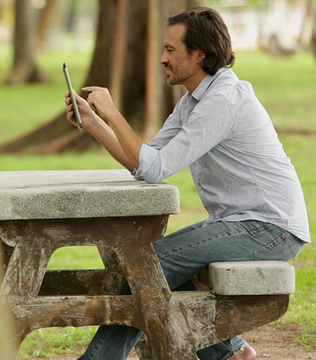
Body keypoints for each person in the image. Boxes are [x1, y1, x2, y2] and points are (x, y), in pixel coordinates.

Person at [64, 6, 311, 360]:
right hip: (243, 223)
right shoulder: (193, 101)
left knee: (152, 264)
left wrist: (114, 112)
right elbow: (144, 161)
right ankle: (230, 353)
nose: (162, 58)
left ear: (200, 55)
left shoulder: (222, 100)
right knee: (155, 265)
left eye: (170, 50)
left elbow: (155, 167)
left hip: (270, 228)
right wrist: (94, 124)